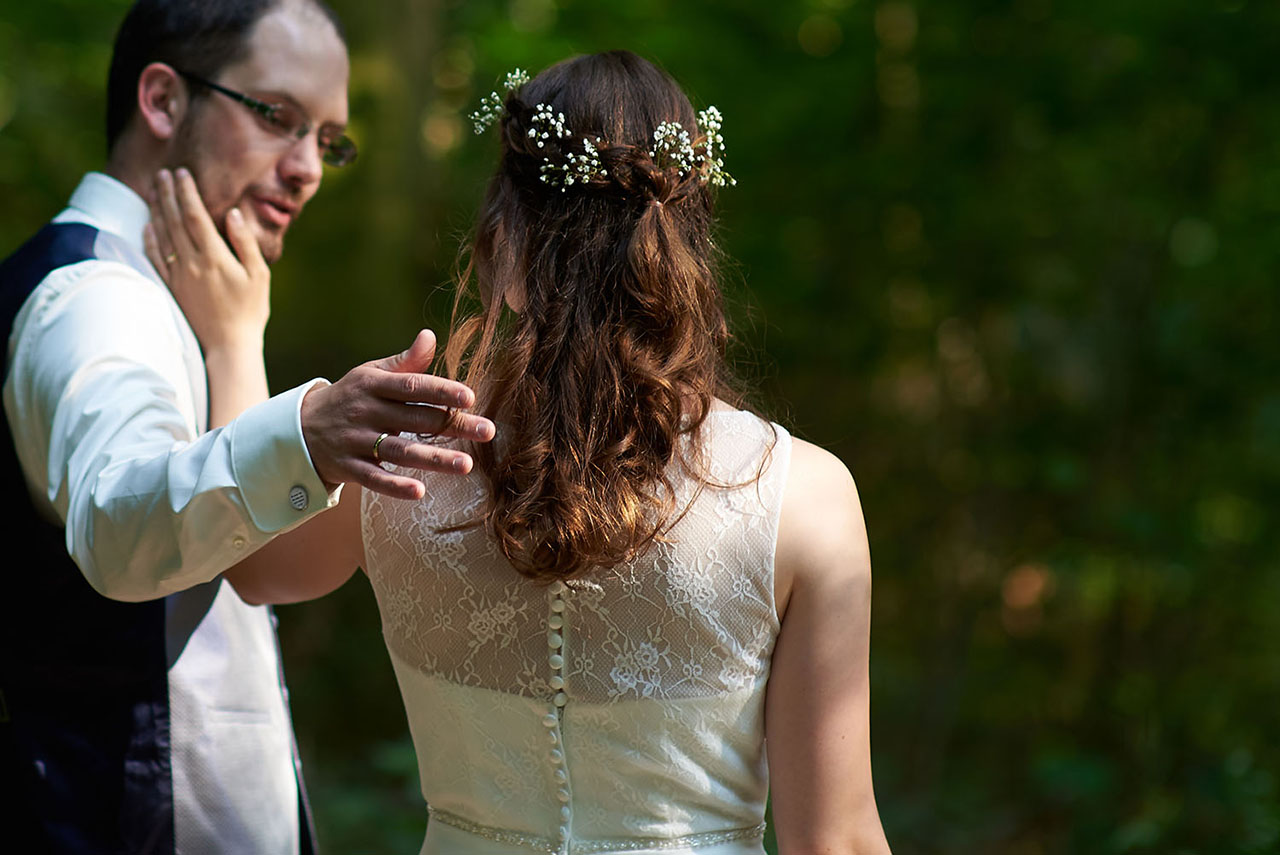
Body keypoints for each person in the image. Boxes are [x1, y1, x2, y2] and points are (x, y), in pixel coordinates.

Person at [154, 51, 892, 854]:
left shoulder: (397, 462)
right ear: (688, 248)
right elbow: (837, 840)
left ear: (501, 241)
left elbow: (254, 561)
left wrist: (232, 341)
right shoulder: (803, 498)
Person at [0, 1, 493, 852]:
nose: (308, 169)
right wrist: (302, 435)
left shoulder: (159, 290)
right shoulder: (98, 301)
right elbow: (118, 522)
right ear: (162, 101)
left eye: (328, 140)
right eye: (278, 118)